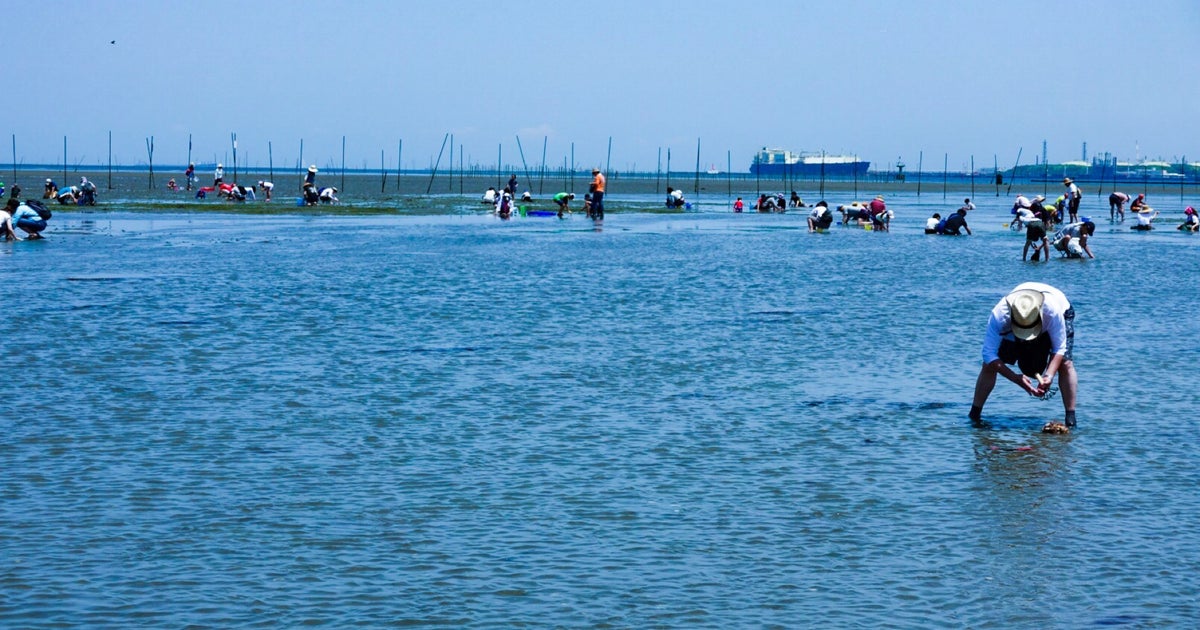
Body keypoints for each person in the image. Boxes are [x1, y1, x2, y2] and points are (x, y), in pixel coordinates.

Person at [970, 283, 1079, 428]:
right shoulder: (1000, 315)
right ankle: (974, 414)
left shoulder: (1052, 311)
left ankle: (1070, 418)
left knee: (1065, 363)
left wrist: (1049, 375)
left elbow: (1059, 348)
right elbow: (988, 355)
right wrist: (1015, 378)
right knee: (989, 366)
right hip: (1011, 326)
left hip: (1057, 313)